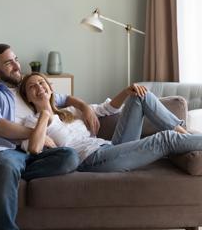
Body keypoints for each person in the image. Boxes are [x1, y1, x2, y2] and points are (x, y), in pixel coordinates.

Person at [0, 44, 97, 230]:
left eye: (16, 59)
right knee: (7, 166)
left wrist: (84, 106)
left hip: (32, 153)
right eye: (9, 63)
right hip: (4, 151)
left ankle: (0, 174)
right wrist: (37, 133)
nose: (18, 65)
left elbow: (61, 98)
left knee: (69, 157)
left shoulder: (25, 89)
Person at [19, 72, 202, 173]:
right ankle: (181, 137)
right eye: (32, 86)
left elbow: (108, 109)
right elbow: (33, 148)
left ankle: (181, 131)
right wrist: (44, 115)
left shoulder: (71, 112)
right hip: (92, 160)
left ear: (50, 88)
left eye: (41, 83)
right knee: (165, 139)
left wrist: (126, 91)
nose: (39, 88)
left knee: (139, 95)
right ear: (27, 97)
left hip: (111, 147)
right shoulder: (31, 121)